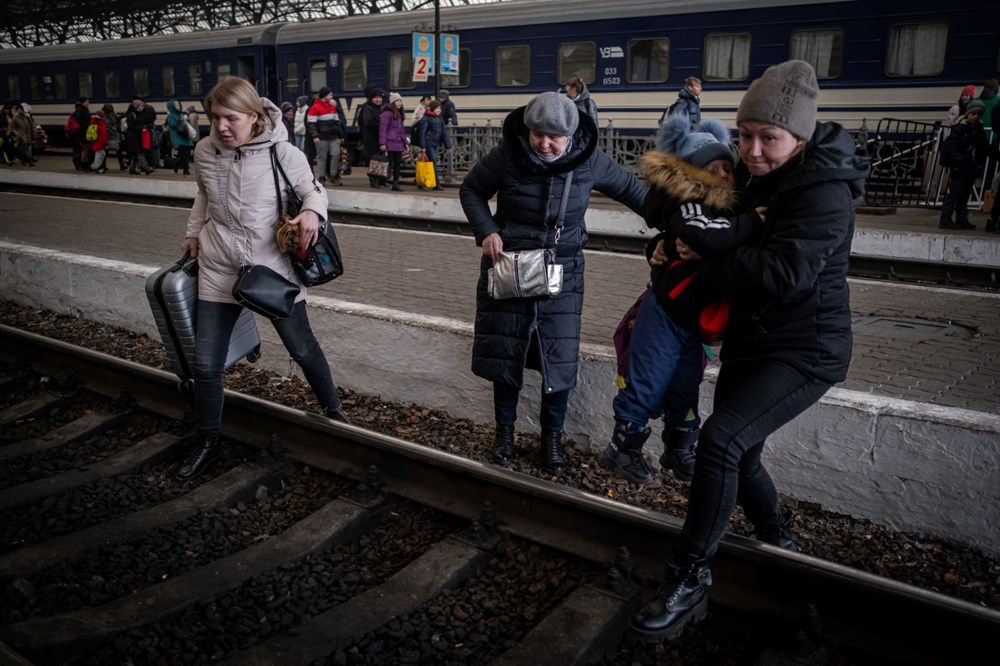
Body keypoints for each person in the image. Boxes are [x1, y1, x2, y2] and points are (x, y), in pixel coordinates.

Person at [629, 60, 869, 642]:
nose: (753, 150)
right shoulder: (752, 176)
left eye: (769, 138)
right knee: (743, 454)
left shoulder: (825, 190)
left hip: (806, 349)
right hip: (751, 340)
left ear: (801, 138)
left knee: (720, 442)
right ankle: (779, 543)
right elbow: (697, 225)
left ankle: (688, 577)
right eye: (745, 135)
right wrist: (667, 248)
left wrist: (702, 257)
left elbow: (784, 274)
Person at [460, 91, 647, 474]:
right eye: (538, 135)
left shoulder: (589, 160)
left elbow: (636, 192)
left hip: (563, 273)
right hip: (509, 266)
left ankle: (551, 441)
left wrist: (683, 225)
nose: (545, 144)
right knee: (505, 353)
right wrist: (486, 231)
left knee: (558, 360)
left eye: (554, 138)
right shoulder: (508, 155)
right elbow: (471, 190)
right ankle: (505, 435)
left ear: (571, 135)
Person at [177, 76, 348, 482]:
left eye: (231, 118)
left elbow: (314, 191)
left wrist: (311, 213)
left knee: (301, 348)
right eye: (215, 118)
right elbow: (203, 194)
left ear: (254, 117)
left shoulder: (283, 152)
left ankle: (335, 413)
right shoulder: (204, 151)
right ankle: (208, 440)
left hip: (272, 271)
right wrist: (191, 232)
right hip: (218, 269)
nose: (221, 127)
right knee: (205, 365)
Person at [598, 113, 763, 486]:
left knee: (686, 386)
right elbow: (708, 237)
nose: (723, 175)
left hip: (693, 320)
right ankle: (621, 449)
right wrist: (753, 222)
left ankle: (679, 449)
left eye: (727, 168)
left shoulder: (726, 208)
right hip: (665, 314)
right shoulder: (690, 205)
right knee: (647, 381)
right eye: (712, 169)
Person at [939, 100, 1000, 230]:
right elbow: (950, 147)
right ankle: (945, 219)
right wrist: (960, 159)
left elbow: (984, 146)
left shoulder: (977, 128)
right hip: (960, 166)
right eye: (974, 113)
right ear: (968, 113)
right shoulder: (960, 127)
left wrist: (996, 155)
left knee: (965, 195)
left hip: (970, 166)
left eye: (979, 114)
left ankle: (962, 218)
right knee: (955, 194)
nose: (976, 116)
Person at [306, 87, 344, 187]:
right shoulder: (314, 108)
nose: (332, 97)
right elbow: (311, 124)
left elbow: (337, 122)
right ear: (324, 96)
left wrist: (340, 135)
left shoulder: (332, 107)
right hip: (322, 137)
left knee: (335, 155)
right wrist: (315, 136)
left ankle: (332, 175)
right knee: (322, 157)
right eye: (330, 95)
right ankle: (322, 177)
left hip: (333, 136)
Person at [415, 100, 451, 191]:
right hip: (428, 143)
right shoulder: (426, 118)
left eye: (440, 108)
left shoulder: (439, 118)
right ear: (433, 108)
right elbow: (422, 133)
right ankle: (436, 184)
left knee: (428, 163)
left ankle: (418, 180)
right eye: (437, 108)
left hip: (435, 143)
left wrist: (448, 146)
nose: (440, 110)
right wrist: (423, 146)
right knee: (433, 162)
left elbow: (444, 133)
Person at [380, 92, 408, 191]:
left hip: (398, 143)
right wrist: (382, 143)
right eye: (397, 101)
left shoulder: (399, 114)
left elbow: (402, 131)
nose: (399, 103)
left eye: (400, 101)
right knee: (389, 163)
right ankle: (383, 180)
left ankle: (395, 183)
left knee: (397, 164)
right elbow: (383, 129)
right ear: (393, 102)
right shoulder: (387, 114)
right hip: (390, 142)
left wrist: (405, 143)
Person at [358, 87, 385, 188]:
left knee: (380, 159)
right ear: (372, 98)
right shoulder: (368, 108)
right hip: (371, 138)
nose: (378, 99)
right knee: (372, 159)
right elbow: (369, 123)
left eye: (379, 97)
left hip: (380, 137)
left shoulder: (382, 108)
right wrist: (382, 126)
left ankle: (380, 179)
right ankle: (373, 180)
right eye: (376, 97)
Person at [124, 96, 156, 175]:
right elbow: (131, 126)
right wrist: (142, 127)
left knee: (136, 154)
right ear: (137, 106)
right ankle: (146, 168)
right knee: (140, 153)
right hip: (132, 137)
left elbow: (145, 121)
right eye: (141, 105)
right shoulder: (132, 115)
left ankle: (132, 169)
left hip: (138, 136)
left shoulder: (141, 114)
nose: (143, 107)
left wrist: (147, 125)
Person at [166, 98, 195, 175]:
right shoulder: (171, 116)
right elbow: (173, 124)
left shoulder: (181, 115)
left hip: (184, 136)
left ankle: (176, 164)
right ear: (172, 107)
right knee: (184, 154)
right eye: (175, 105)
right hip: (177, 137)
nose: (178, 106)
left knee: (188, 153)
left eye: (178, 104)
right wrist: (180, 122)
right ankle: (186, 170)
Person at [70, 96, 91, 171]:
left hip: (83, 132)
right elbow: (78, 119)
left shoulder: (84, 110)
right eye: (87, 102)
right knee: (79, 148)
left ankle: (82, 164)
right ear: (83, 102)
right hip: (80, 132)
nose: (88, 103)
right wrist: (86, 125)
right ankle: (78, 164)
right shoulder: (80, 110)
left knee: (83, 148)